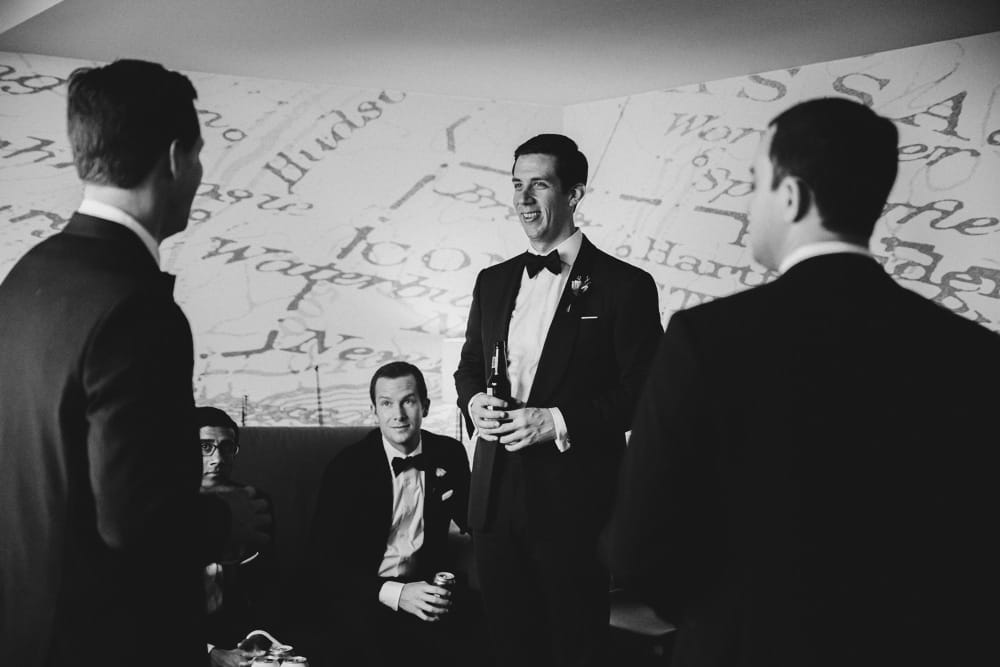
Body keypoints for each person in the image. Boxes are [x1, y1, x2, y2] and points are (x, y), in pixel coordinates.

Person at [610, 97, 999, 667]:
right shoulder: (974, 351)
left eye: (755, 184)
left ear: (791, 197)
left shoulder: (706, 339)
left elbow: (640, 549)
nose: (749, 204)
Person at [0, 59, 271, 667]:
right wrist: (222, 518)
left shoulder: (23, 280)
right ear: (175, 158)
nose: (199, 173)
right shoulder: (137, 307)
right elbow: (133, 519)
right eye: (199, 156)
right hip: (107, 641)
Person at [454, 134, 662, 667]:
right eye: (516, 185)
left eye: (539, 185)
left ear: (574, 193)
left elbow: (645, 390)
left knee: (574, 650)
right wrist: (474, 402)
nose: (523, 199)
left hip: (574, 505)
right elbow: (469, 367)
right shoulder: (492, 281)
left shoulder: (626, 285)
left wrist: (557, 421)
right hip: (493, 500)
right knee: (508, 648)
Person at [304, 362, 471, 667]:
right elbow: (322, 561)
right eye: (387, 403)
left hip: (426, 592)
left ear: (425, 406)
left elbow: (475, 520)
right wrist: (396, 593)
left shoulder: (450, 453)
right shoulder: (347, 467)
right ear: (374, 411)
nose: (398, 414)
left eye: (408, 401)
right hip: (365, 595)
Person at [197, 407, 278, 667]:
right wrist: (209, 653)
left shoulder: (255, 503)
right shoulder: (159, 511)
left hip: (243, 635)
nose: (218, 459)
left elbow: (268, 584)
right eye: (205, 447)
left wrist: (258, 638)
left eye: (227, 448)